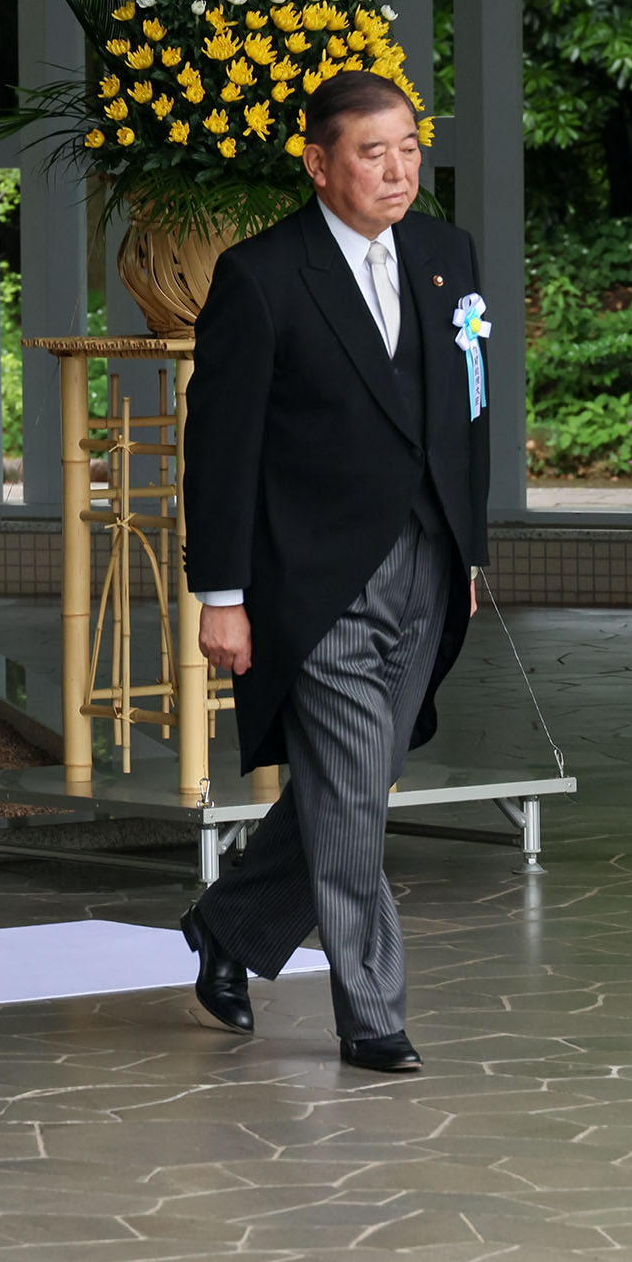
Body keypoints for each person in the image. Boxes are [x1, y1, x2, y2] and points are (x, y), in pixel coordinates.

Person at [177, 68, 490, 1074]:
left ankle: (228, 929)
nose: (397, 170)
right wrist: (219, 596)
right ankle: (371, 1012)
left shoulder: (446, 257)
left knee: (342, 784)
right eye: (372, 152)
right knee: (353, 796)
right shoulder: (260, 276)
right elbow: (218, 451)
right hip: (314, 582)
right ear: (318, 164)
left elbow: (466, 414)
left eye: (407, 148)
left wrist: (469, 547)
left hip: (428, 565)